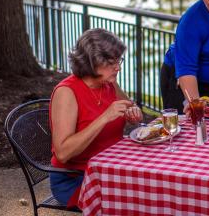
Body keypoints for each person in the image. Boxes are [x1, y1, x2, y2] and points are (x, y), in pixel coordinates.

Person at [49, 28, 143, 208]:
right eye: (111, 62)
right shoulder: (67, 92)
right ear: (92, 62)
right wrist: (104, 117)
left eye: (119, 60)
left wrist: (133, 112)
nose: (118, 67)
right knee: (137, 200)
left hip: (110, 170)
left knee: (151, 188)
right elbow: (63, 152)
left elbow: (129, 107)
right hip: (76, 178)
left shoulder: (108, 82)